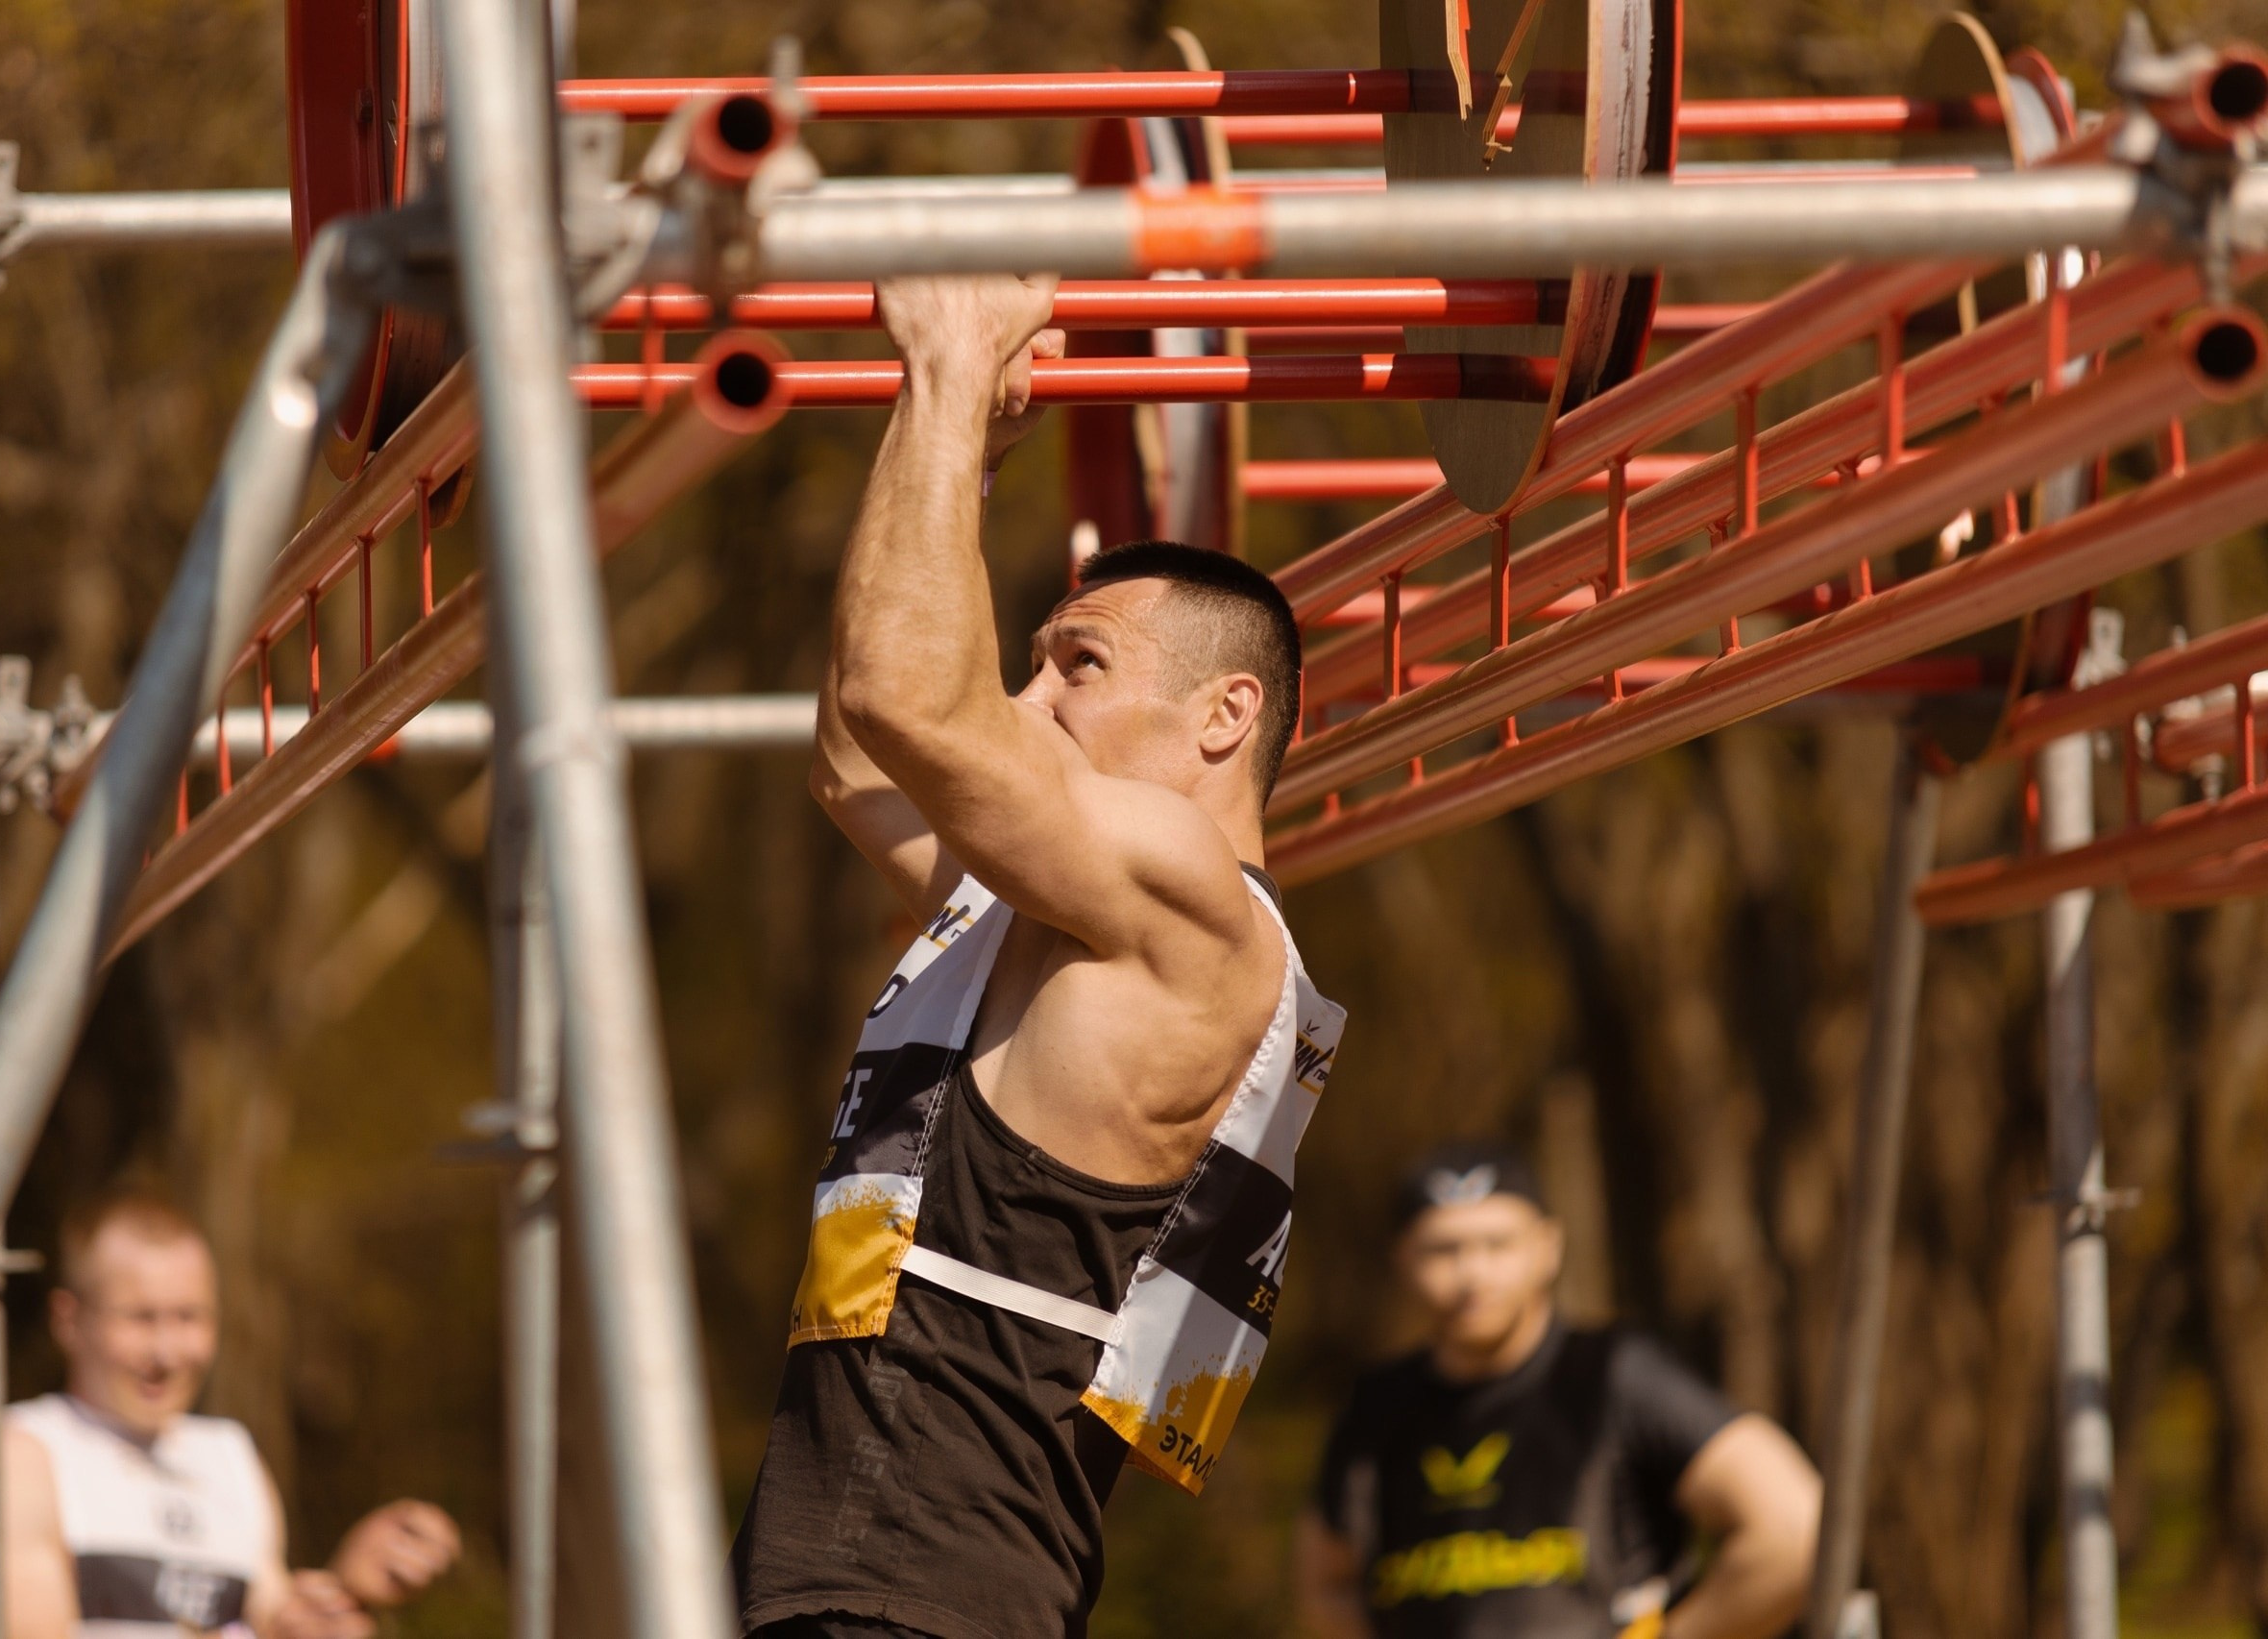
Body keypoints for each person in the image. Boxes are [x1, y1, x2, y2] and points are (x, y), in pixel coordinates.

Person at [730, 275, 1348, 1639]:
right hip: (885, 1585)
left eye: (1079, 663)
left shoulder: (1191, 897)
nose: (1029, 697)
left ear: (1224, 715)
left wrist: (949, 366)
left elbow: (906, 696)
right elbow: (859, 760)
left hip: (916, 1593)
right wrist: (958, 450)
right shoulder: (1063, 914)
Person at [1297, 1142, 1820, 1639]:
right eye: (1443, 1249)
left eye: (1497, 1244)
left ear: (1548, 1247)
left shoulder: (1617, 1373)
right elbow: (1325, 1585)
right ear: (1402, 1260)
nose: (1471, 1273)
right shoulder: (1377, 1406)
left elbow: (1795, 1531)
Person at [3, 1187, 461, 1639]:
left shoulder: (230, 1457)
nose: (166, 1353)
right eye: (140, 1317)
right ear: (68, 1320)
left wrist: (345, 1590)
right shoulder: (24, 1451)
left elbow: (275, 1627)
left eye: (188, 1317)